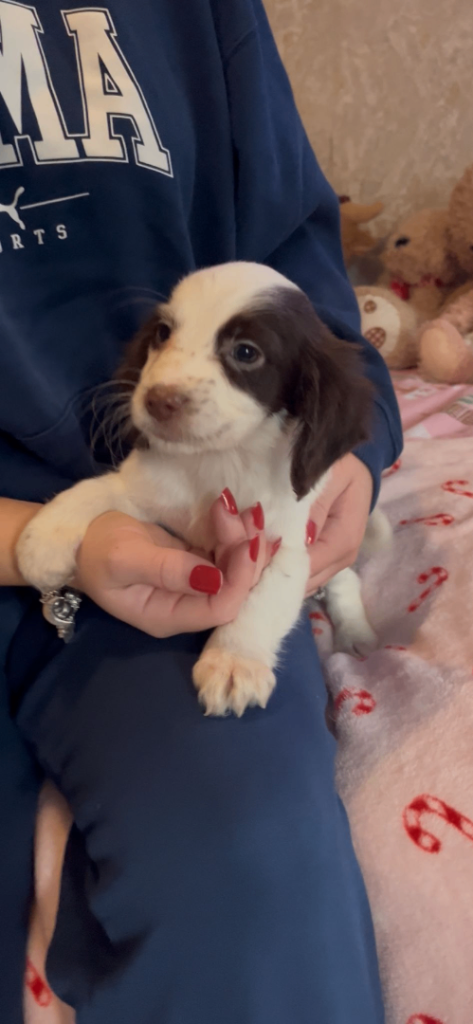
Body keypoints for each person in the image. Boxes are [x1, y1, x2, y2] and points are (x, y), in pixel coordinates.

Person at [0, 0, 402, 1021]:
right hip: (80, 530)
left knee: (255, 886)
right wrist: (35, 542)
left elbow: (301, 278)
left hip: (174, 558)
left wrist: (348, 457)